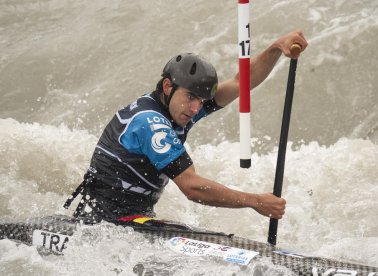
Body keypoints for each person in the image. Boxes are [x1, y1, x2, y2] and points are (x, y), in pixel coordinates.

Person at [64, 31, 308, 224]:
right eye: (191, 98)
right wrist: (255, 201)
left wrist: (277, 46)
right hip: (103, 223)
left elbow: (241, 82)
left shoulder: (178, 108)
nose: (195, 109)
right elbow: (191, 187)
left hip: (134, 219)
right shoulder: (150, 123)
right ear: (168, 86)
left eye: (201, 101)